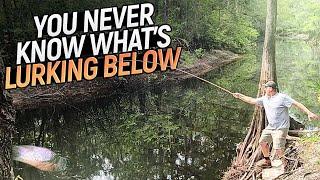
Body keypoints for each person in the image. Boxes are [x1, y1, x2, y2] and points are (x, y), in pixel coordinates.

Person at [232, 80, 319, 170]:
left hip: (281, 127)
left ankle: (286, 164)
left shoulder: (282, 97)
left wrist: (309, 113)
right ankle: (267, 161)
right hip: (271, 127)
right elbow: (251, 100)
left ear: (271, 89)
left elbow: (297, 104)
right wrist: (240, 96)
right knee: (262, 142)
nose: (264, 88)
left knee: (278, 148)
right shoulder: (265, 98)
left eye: (266, 87)